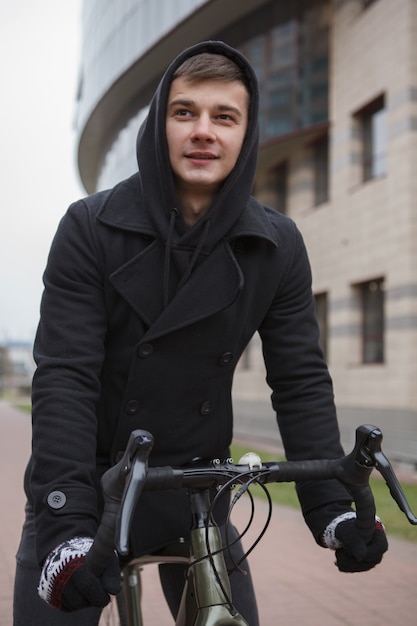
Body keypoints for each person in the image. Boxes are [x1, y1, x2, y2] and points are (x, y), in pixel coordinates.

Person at [13, 40, 388, 625]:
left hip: (192, 483)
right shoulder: (89, 227)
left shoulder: (277, 243)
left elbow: (300, 382)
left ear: (247, 132)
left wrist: (334, 511)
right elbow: (65, 377)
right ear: (160, 123)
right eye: (185, 112)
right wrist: (64, 525)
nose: (203, 131)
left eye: (225, 116)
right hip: (88, 485)